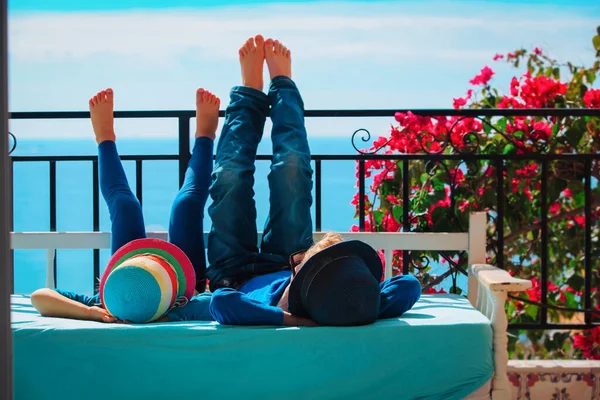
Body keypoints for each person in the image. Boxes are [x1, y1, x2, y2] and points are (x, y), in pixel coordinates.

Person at [175, 34, 422, 327]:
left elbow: (222, 302)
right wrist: (358, 294)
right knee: (292, 168)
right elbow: (409, 285)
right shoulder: (353, 304)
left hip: (234, 272)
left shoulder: (273, 308)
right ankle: (282, 84)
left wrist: (294, 318)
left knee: (230, 178)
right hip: (291, 257)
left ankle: (249, 93)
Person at [30, 85, 220, 323]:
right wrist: (176, 312)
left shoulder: (113, 302)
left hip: (129, 270)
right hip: (180, 287)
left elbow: (40, 296)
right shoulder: (189, 304)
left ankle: (104, 138)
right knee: (186, 206)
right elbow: (223, 300)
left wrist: (91, 313)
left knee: (124, 205)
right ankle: (205, 136)